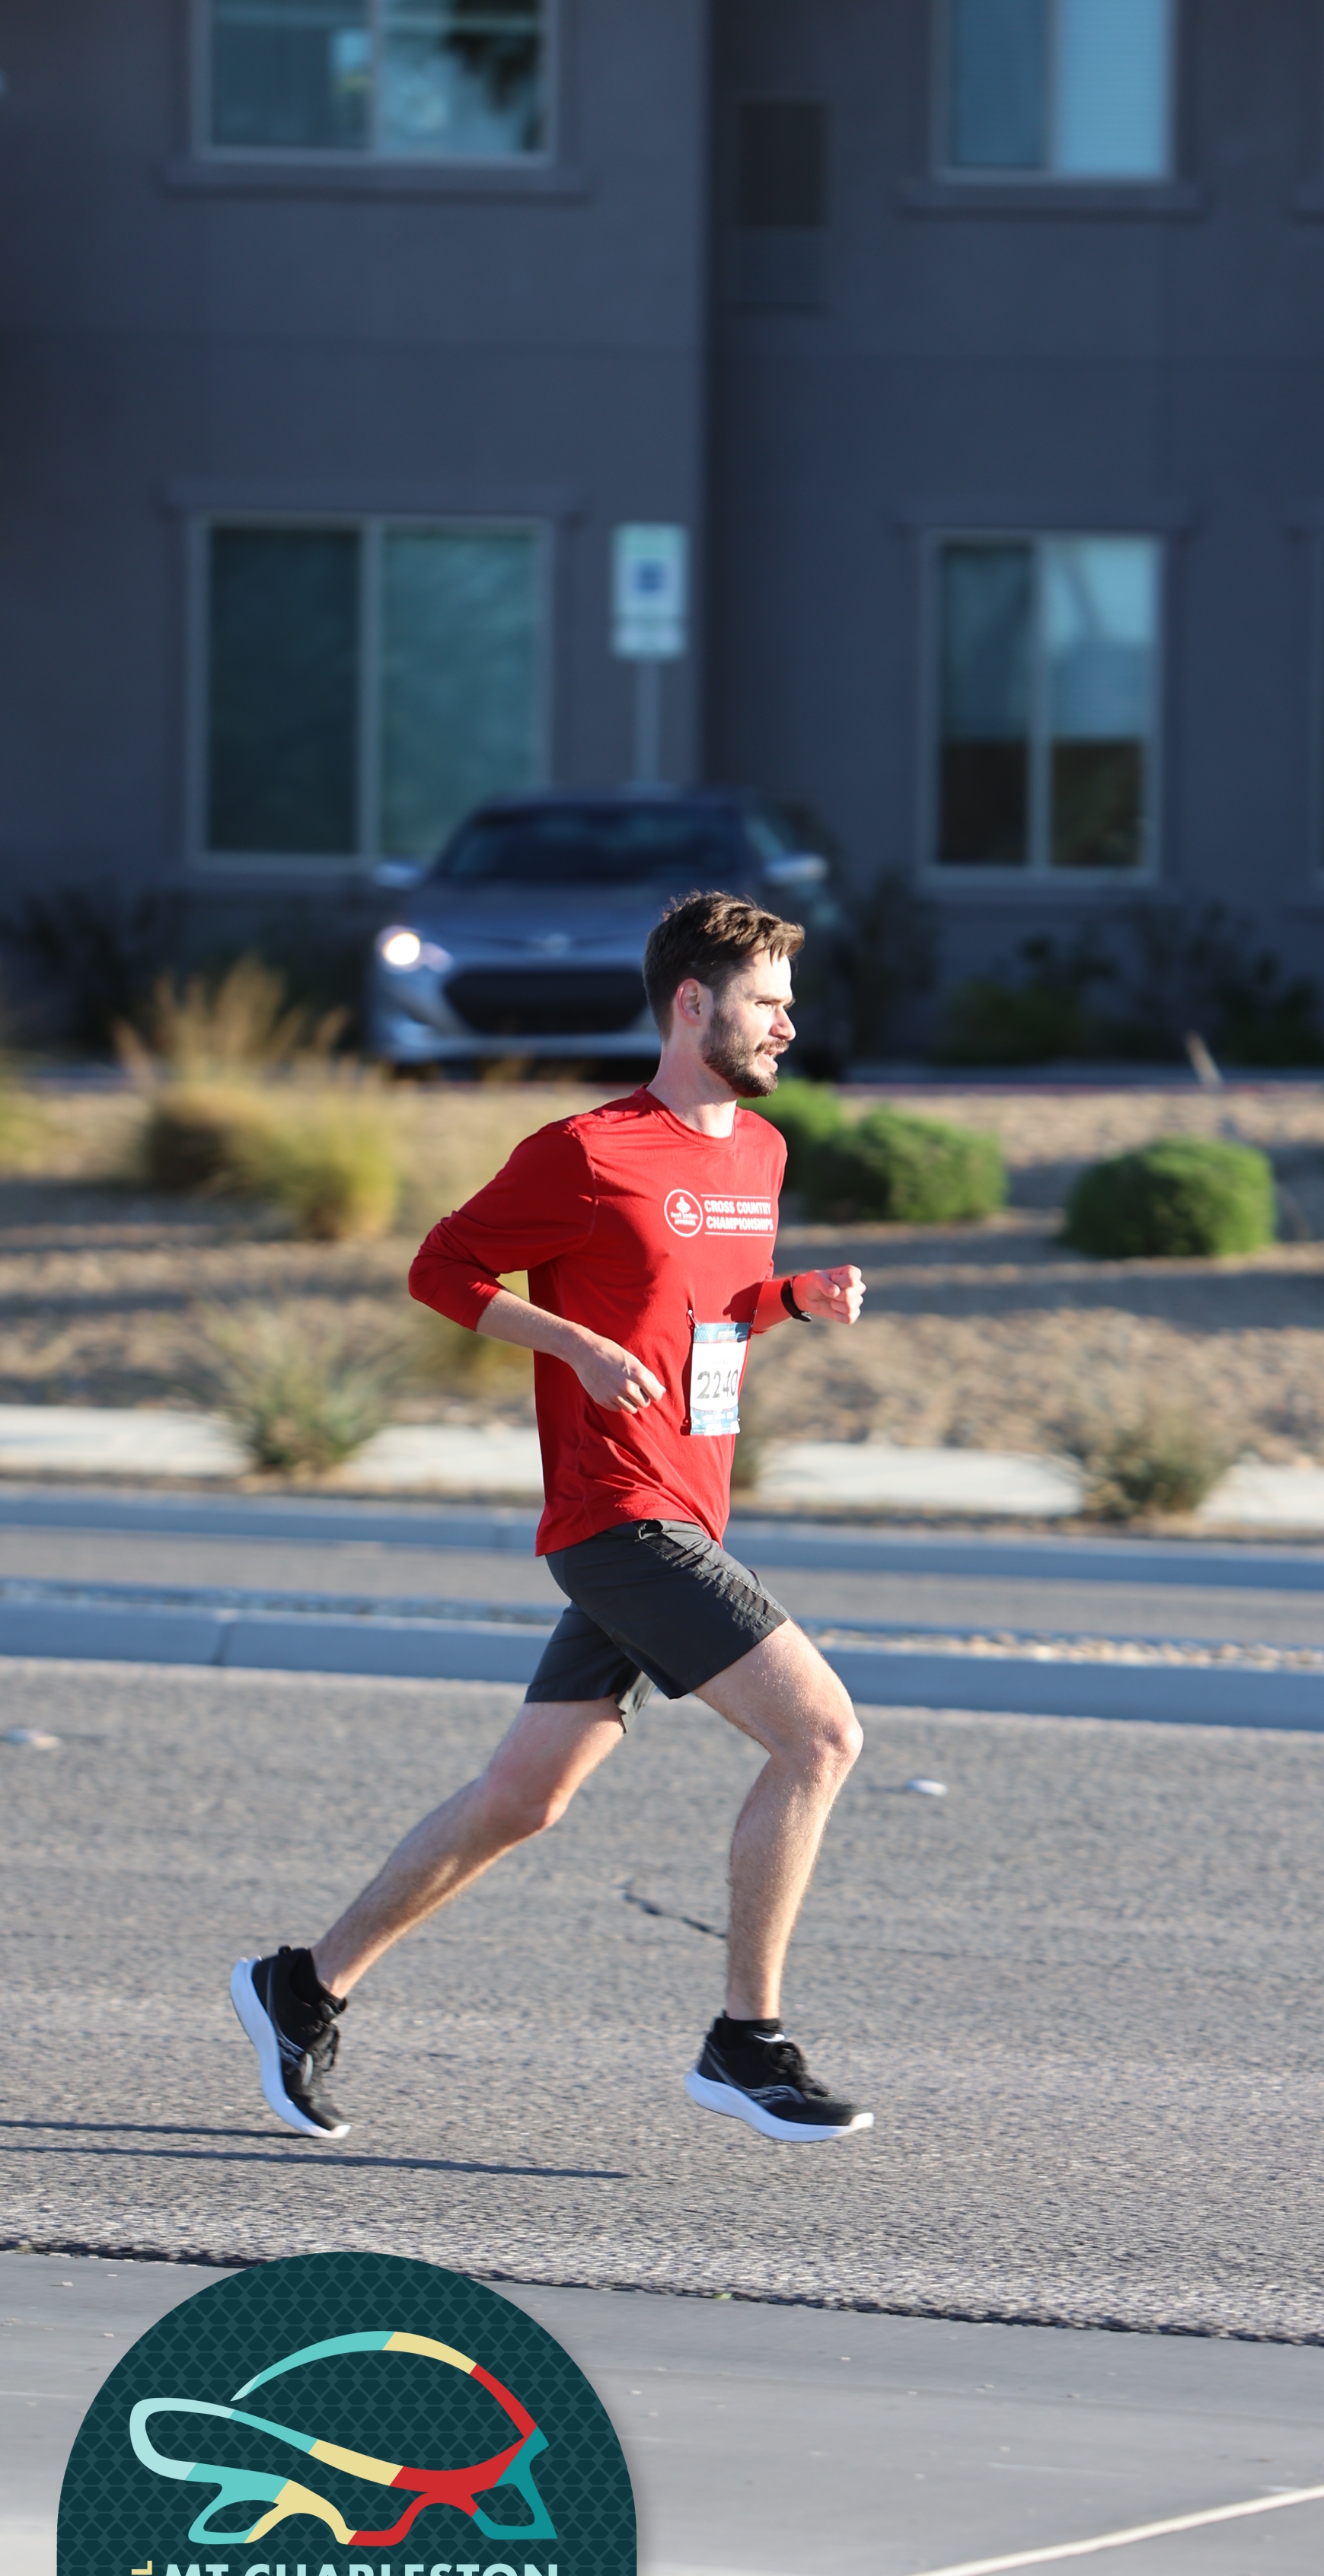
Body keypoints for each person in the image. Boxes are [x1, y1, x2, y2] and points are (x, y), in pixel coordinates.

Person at [229, 891, 873, 2148]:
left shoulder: (759, 1152)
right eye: (766, 1003)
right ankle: (746, 2043)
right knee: (822, 1737)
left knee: (525, 1798)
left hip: (692, 1507)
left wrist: (794, 1298)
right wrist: (569, 1342)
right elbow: (441, 1267)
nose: (788, 1026)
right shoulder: (585, 1152)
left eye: (790, 1005)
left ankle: (302, 1987)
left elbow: (709, 1309)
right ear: (692, 1003)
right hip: (619, 1515)